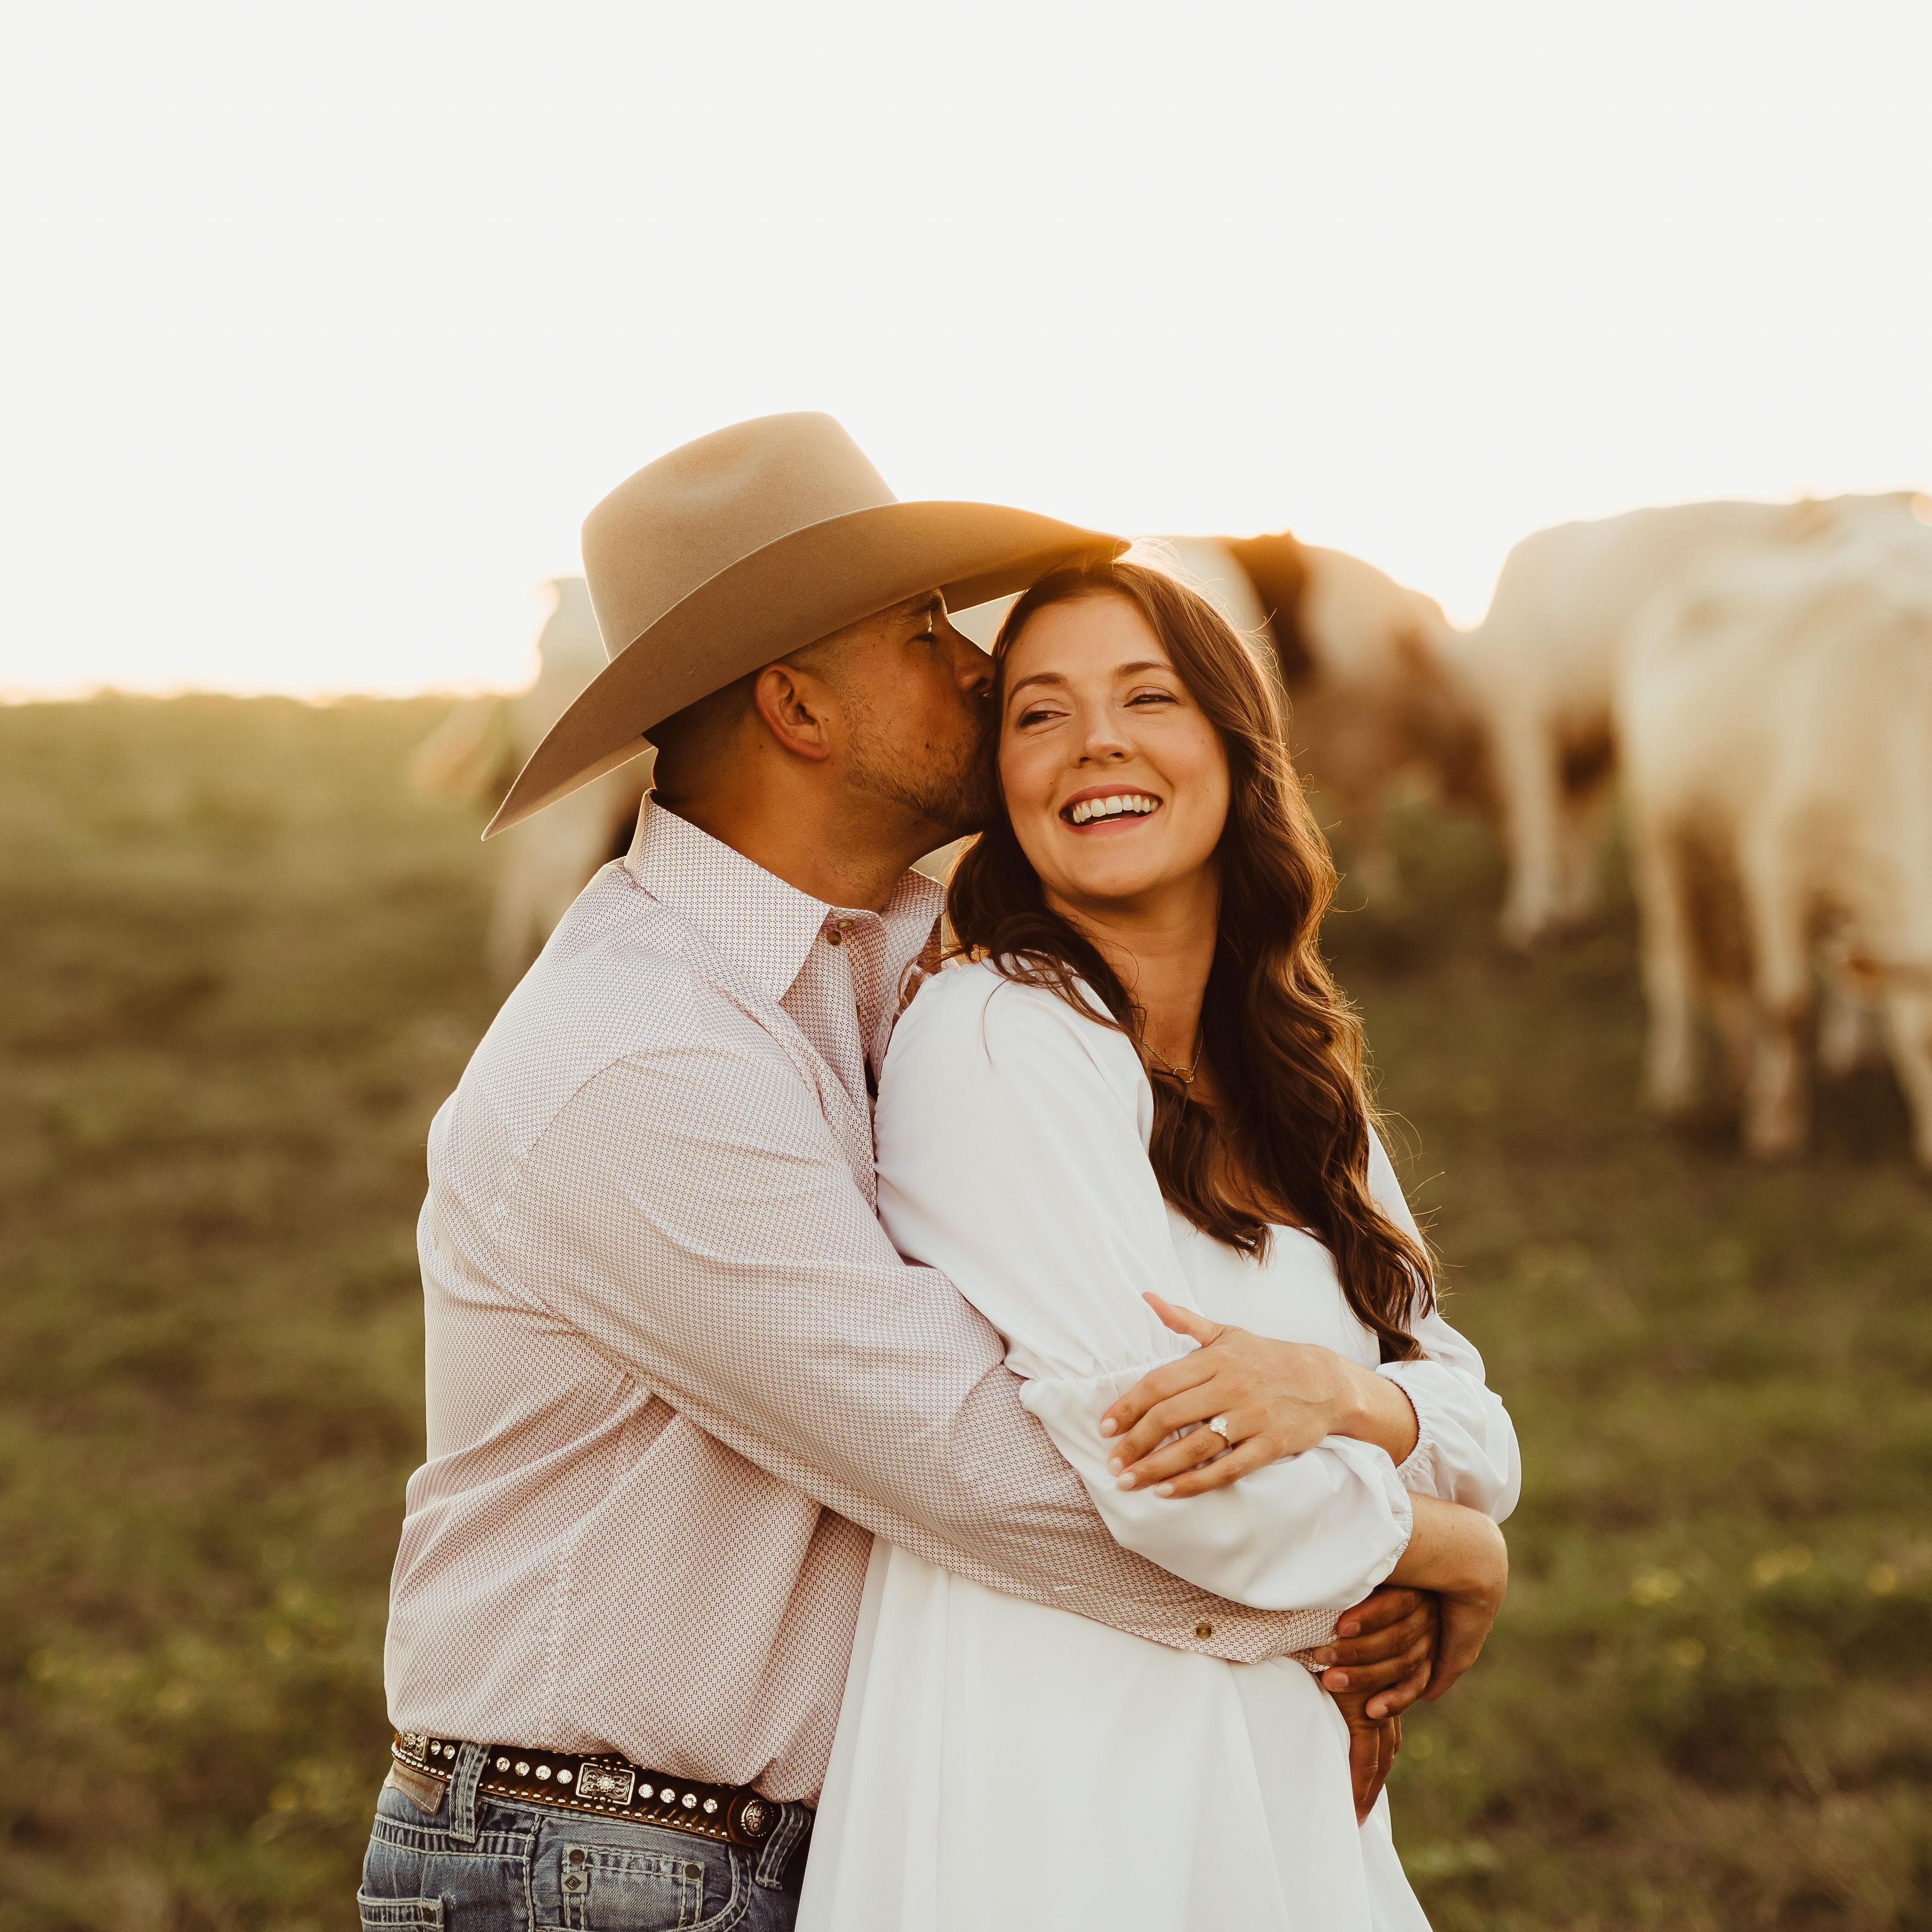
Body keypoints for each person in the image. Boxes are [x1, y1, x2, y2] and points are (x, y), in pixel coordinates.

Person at [358, 415, 1458, 1932]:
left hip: (754, 1840)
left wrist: (1372, 1463)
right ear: (798, 706)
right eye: (923, 629)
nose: (975, 664)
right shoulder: (640, 1056)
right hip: (601, 1862)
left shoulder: (901, 972)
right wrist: (1413, 1559)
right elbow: (982, 1465)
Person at [799, 558, 1518, 1932]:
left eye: (1148, 697)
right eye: (1039, 713)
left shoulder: (1295, 1076)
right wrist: (1446, 1549)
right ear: (1003, 781)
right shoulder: (999, 1035)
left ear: (1237, 747)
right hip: (1064, 1778)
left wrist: (1335, 1394)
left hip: (1274, 1769)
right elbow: (1164, 1469)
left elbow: (1478, 1428)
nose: (1097, 743)